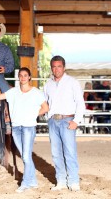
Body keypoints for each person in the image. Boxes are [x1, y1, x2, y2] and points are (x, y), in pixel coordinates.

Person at [0, 67, 49, 193]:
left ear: (29, 77)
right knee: (25, 156)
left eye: (25, 75)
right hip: (16, 128)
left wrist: (33, 115)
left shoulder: (36, 92)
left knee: (26, 157)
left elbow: (45, 108)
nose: (22, 78)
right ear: (19, 77)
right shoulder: (13, 92)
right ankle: (33, 181)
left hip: (28, 127)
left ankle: (25, 183)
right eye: (21, 75)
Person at [44, 55, 85, 192]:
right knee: (56, 153)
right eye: (54, 66)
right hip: (53, 121)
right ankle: (61, 181)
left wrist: (76, 120)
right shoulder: (48, 84)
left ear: (64, 67)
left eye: (59, 66)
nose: (56, 69)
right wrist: (47, 117)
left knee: (70, 152)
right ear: (51, 68)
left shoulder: (72, 82)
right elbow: (46, 103)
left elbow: (80, 102)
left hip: (68, 120)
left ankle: (73, 181)